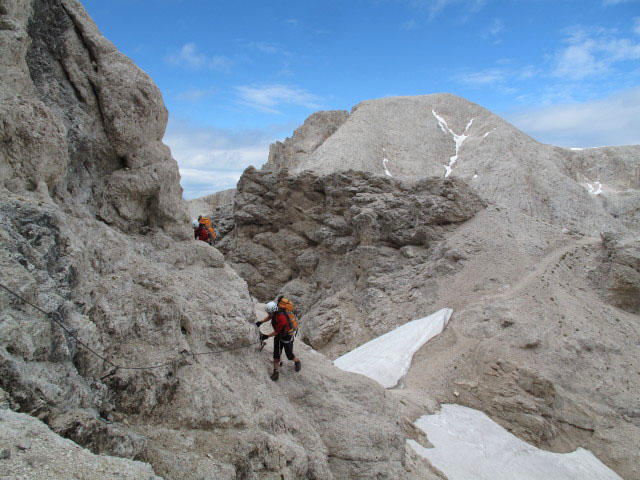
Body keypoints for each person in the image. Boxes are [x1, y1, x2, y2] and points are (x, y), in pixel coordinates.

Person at [256, 300, 301, 381]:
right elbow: (270, 317)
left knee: (289, 355)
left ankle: (297, 361)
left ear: (273, 311)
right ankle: (275, 372)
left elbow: (277, 331)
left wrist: (266, 336)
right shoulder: (274, 313)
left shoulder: (281, 318)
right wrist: (261, 322)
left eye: (269, 313)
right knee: (276, 354)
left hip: (287, 337)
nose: (269, 314)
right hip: (279, 336)